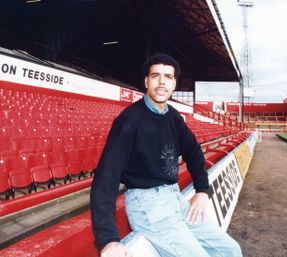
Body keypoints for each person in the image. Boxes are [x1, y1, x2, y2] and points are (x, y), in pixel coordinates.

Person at [90, 53, 242, 257]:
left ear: (174, 83)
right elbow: (105, 180)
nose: (162, 82)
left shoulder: (173, 116)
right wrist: (108, 239)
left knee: (230, 250)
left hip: (175, 199)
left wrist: (202, 190)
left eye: (168, 77)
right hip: (147, 204)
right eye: (155, 76)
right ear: (146, 81)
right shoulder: (129, 121)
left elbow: (194, 151)